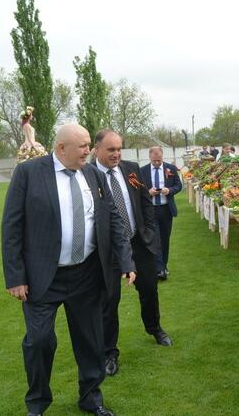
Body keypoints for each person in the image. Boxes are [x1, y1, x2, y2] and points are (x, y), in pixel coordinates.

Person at [2, 123, 136, 416]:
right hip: (42, 278)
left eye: (89, 144)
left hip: (86, 274)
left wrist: (126, 261)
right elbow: (11, 227)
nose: (89, 150)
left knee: (90, 341)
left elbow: (112, 218)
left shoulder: (91, 174)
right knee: (38, 341)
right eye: (83, 146)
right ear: (61, 148)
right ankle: (37, 404)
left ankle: (91, 399)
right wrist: (15, 276)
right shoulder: (29, 173)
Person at [92, 130, 172, 377]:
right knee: (109, 299)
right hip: (107, 251)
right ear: (97, 149)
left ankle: (155, 328)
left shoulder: (131, 169)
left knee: (149, 289)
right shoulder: (87, 175)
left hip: (138, 242)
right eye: (111, 150)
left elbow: (145, 202)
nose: (116, 154)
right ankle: (109, 353)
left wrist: (147, 231)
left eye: (119, 149)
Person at [141, 146, 183, 280]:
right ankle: (159, 270)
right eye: (155, 160)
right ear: (150, 157)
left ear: (162, 156)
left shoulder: (170, 168)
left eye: (159, 160)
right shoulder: (143, 171)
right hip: (150, 210)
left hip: (166, 209)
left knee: (165, 239)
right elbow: (138, 190)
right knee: (156, 239)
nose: (157, 162)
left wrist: (169, 190)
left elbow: (178, 185)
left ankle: (163, 266)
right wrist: (149, 192)